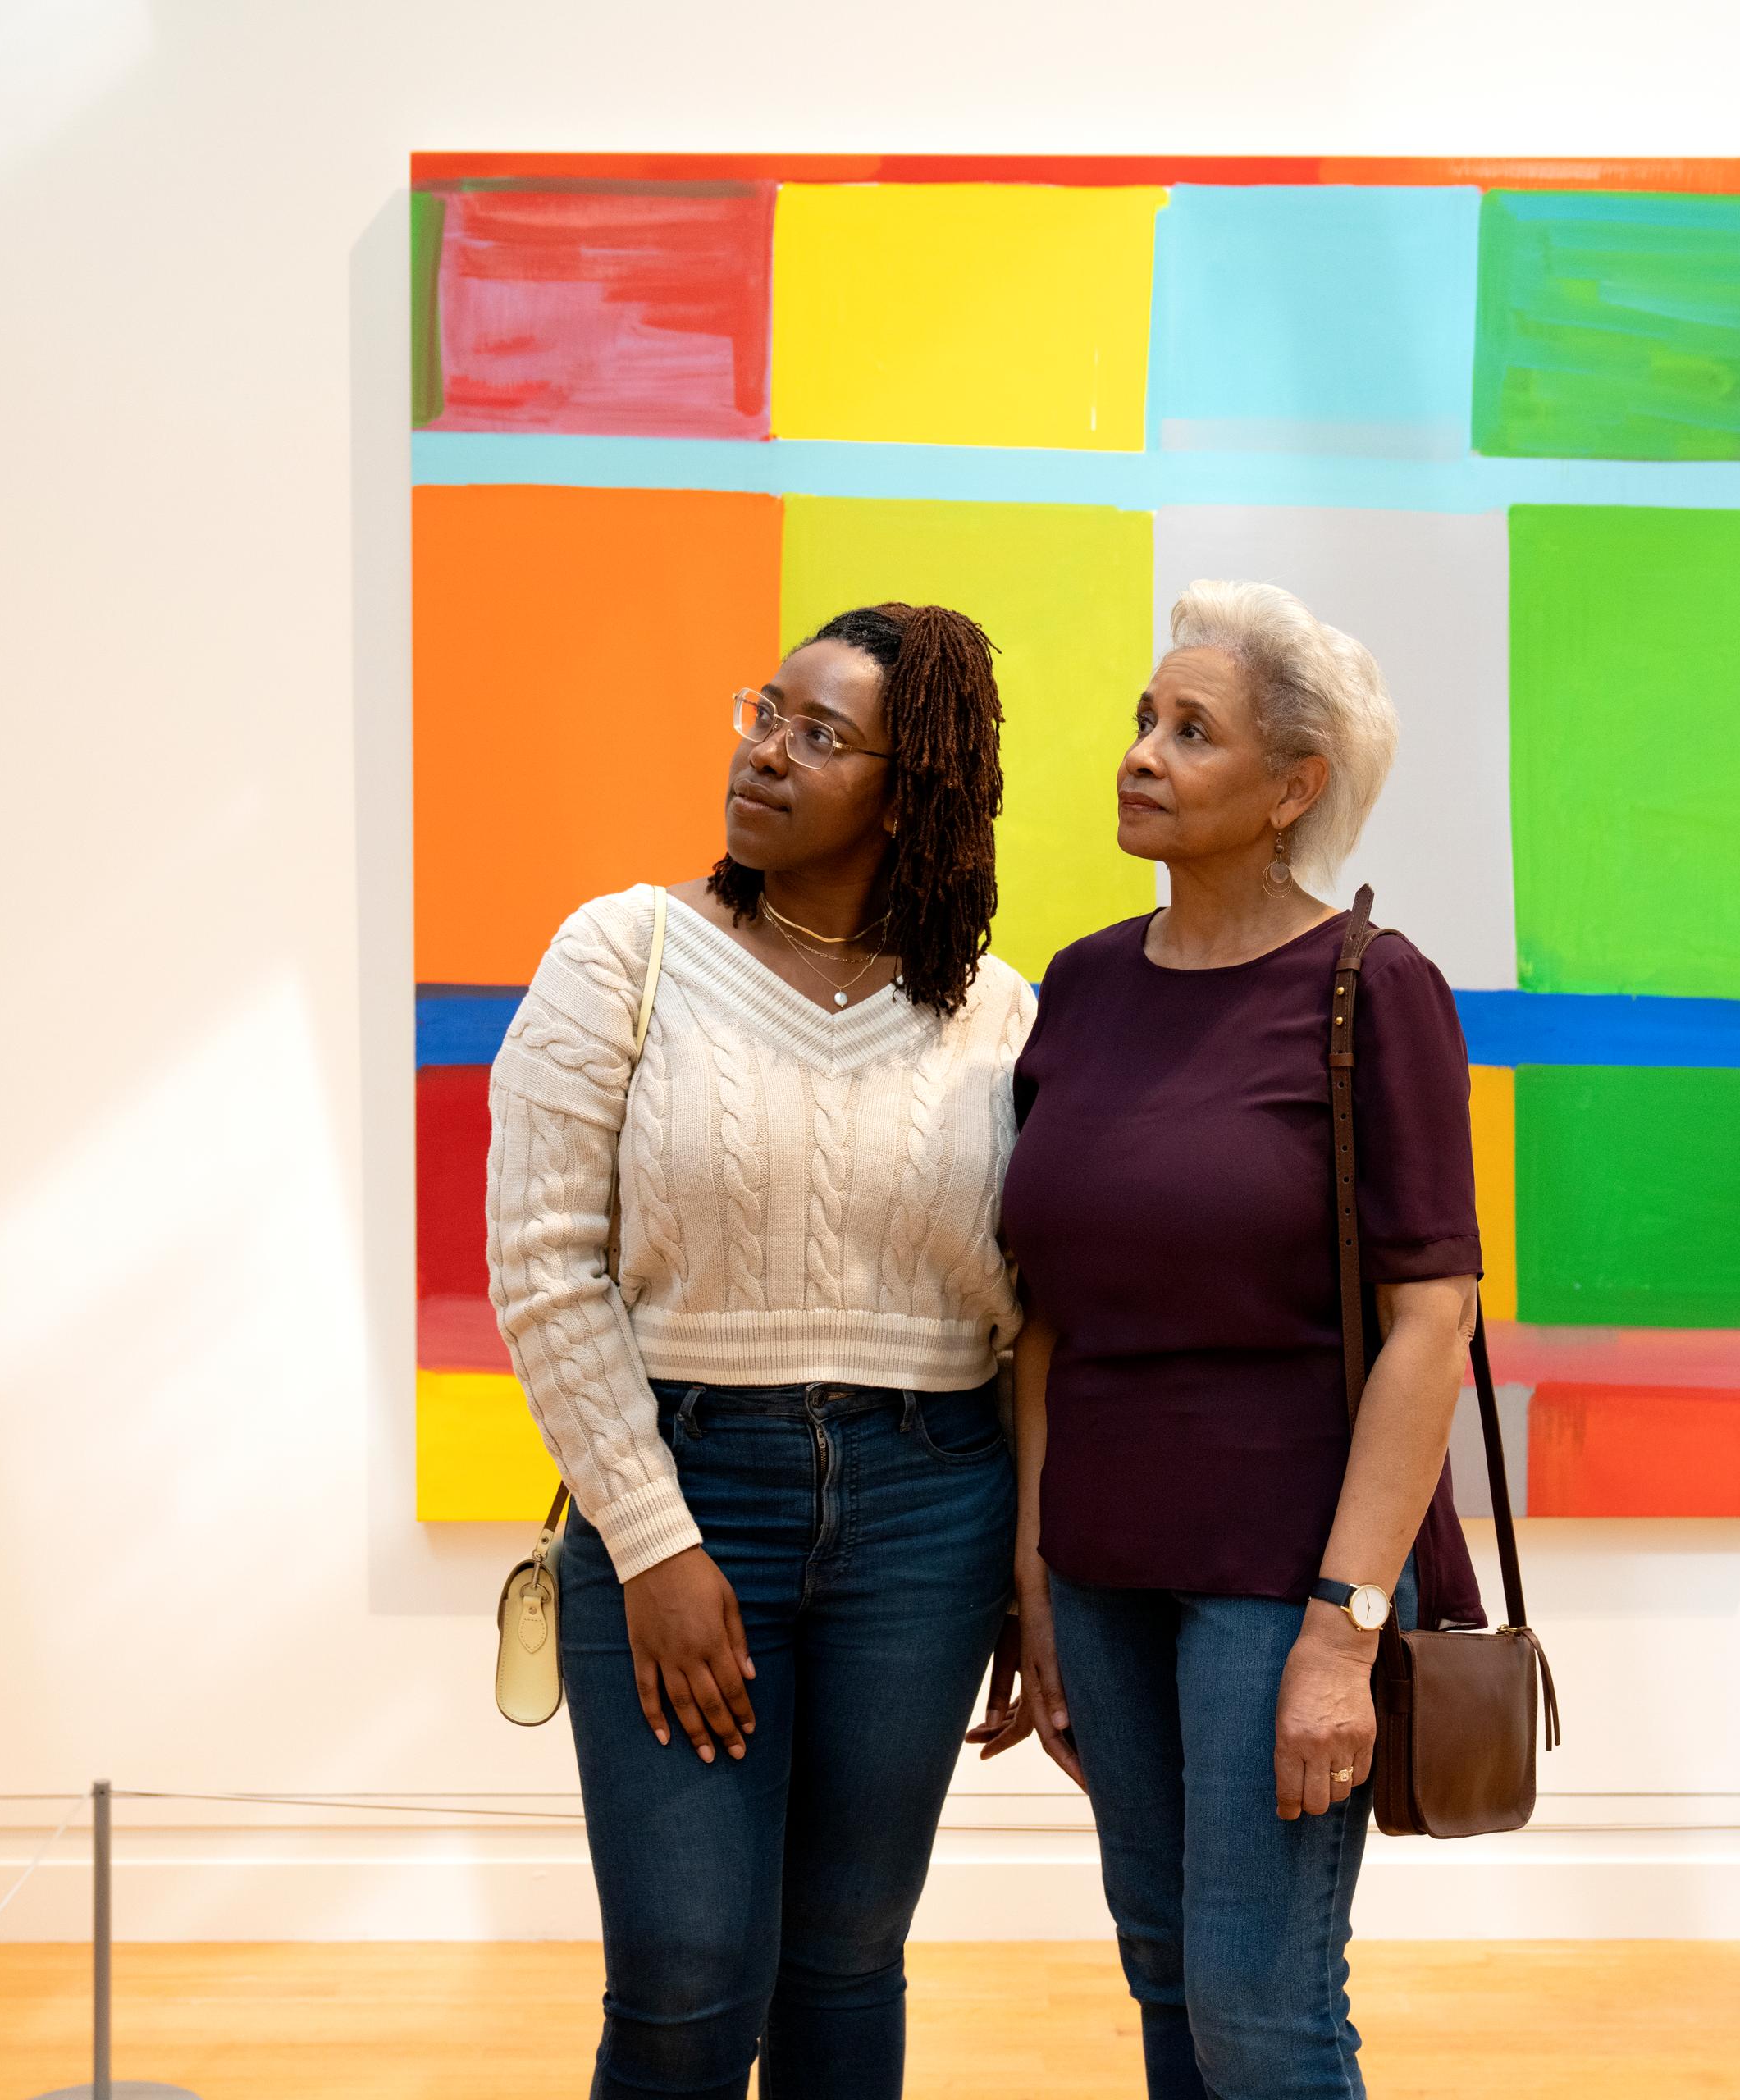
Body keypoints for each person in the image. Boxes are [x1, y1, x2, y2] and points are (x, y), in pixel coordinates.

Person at [486, 603, 1033, 2100]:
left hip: (931, 1506)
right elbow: (541, 1266)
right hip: (684, 1477)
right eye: (762, 716)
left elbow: (1029, 1312)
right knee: (682, 1972)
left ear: (913, 787)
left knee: (848, 1956)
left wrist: (1033, 1572)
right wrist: (652, 1542)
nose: (765, 755)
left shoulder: (999, 1013)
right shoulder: (624, 953)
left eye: (819, 734)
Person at [987, 580, 1489, 2099]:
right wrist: (1031, 1574)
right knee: (1164, 1970)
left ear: (1294, 787)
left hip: (1281, 1575)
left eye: (1189, 731)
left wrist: (1346, 1626)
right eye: (1145, 718)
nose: (1141, 750)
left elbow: (1431, 1321)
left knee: (1262, 2007)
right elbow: (1045, 1313)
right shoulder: (1076, 987)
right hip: (1102, 1563)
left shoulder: (1371, 989)